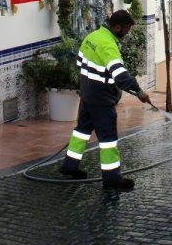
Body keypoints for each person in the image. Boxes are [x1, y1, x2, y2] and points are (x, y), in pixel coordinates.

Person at [60, 10, 151, 190]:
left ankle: (69, 166)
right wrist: (139, 91)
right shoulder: (108, 45)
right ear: (117, 27)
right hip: (101, 100)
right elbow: (120, 74)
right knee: (108, 139)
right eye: (126, 29)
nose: (127, 33)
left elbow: (80, 63)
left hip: (87, 94)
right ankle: (112, 179)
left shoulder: (93, 37)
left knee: (81, 131)